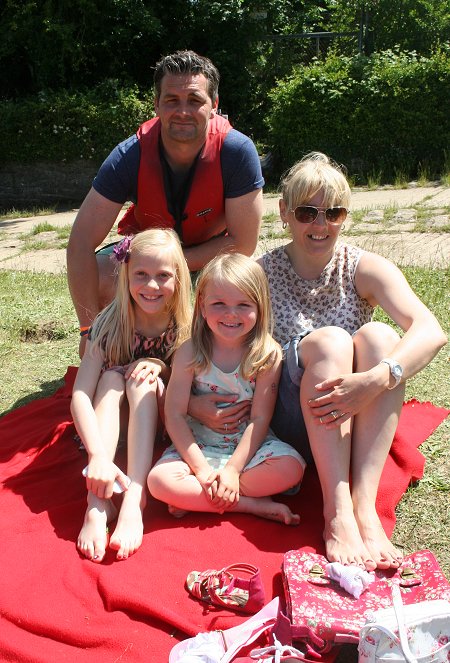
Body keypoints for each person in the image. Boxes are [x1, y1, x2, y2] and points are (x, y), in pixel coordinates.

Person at [255, 152, 447, 570]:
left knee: (380, 338)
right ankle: (336, 511)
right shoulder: (262, 273)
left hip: (353, 414)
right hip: (291, 417)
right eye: (307, 212)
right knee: (330, 343)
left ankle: (364, 508)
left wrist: (379, 379)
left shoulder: (361, 266)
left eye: (333, 212)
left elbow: (430, 330)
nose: (320, 225)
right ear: (284, 213)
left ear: (345, 216)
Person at [67, 50, 264, 356]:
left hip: (208, 258)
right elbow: (80, 243)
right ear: (157, 105)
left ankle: (215, 356)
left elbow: (244, 243)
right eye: (172, 100)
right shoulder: (128, 156)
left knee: (242, 283)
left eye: (195, 100)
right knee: (103, 273)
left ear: (214, 105)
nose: (183, 111)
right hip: (150, 259)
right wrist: (87, 329)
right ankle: (123, 346)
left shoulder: (237, 151)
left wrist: (171, 266)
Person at [147, 253, 306, 523]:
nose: (231, 314)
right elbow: (173, 414)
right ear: (202, 305)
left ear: (260, 306)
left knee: (291, 469)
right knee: (158, 482)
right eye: (219, 303)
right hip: (197, 447)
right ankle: (249, 505)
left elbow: (260, 418)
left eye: (243, 304)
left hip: (250, 453)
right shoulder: (189, 352)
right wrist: (201, 471)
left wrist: (232, 470)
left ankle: (199, 498)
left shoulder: (267, 354)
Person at [70, 228, 191, 562]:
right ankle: (98, 503)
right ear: (125, 274)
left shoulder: (185, 326)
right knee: (109, 379)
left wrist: (160, 367)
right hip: (109, 429)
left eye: (163, 276)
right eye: (141, 274)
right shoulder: (109, 323)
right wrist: (95, 455)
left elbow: (187, 386)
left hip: (157, 421)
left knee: (141, 378)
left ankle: (135, 495)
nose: (151, 286)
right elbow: (80, 394)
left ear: (179, 279)